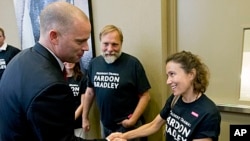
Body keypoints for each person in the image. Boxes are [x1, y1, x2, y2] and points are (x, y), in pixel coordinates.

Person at [0, 2, 125, 141]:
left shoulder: (19, 59)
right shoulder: (51, 86)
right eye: (80, 41)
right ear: (54, 36)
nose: (86, 48)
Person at [109, 51, 221, 141]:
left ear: (191, 74)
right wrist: (123, 136)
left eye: (172, 74)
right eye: (167, 76)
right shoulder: (175, 99)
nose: (168, 81)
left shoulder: (208, 113)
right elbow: (154, 125)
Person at [82, 25, 151, 141]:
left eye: (114, 44)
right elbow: (89, 92)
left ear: (121, 44)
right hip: (106, 126)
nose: (110, 49)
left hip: (129, 127)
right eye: (106, 44)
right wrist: (85, 118)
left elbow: (145, 96)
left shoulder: (133, 64)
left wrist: (132, 120)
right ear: (100, 43)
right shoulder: (94, 64)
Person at [64, 62, 87, 139]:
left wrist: (72, 118)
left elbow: (83, 103)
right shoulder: (58, 78)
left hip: (77, 122)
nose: (68, 63)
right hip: (62, 122)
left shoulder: (82, 79)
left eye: (71, 60)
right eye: (66, 60)